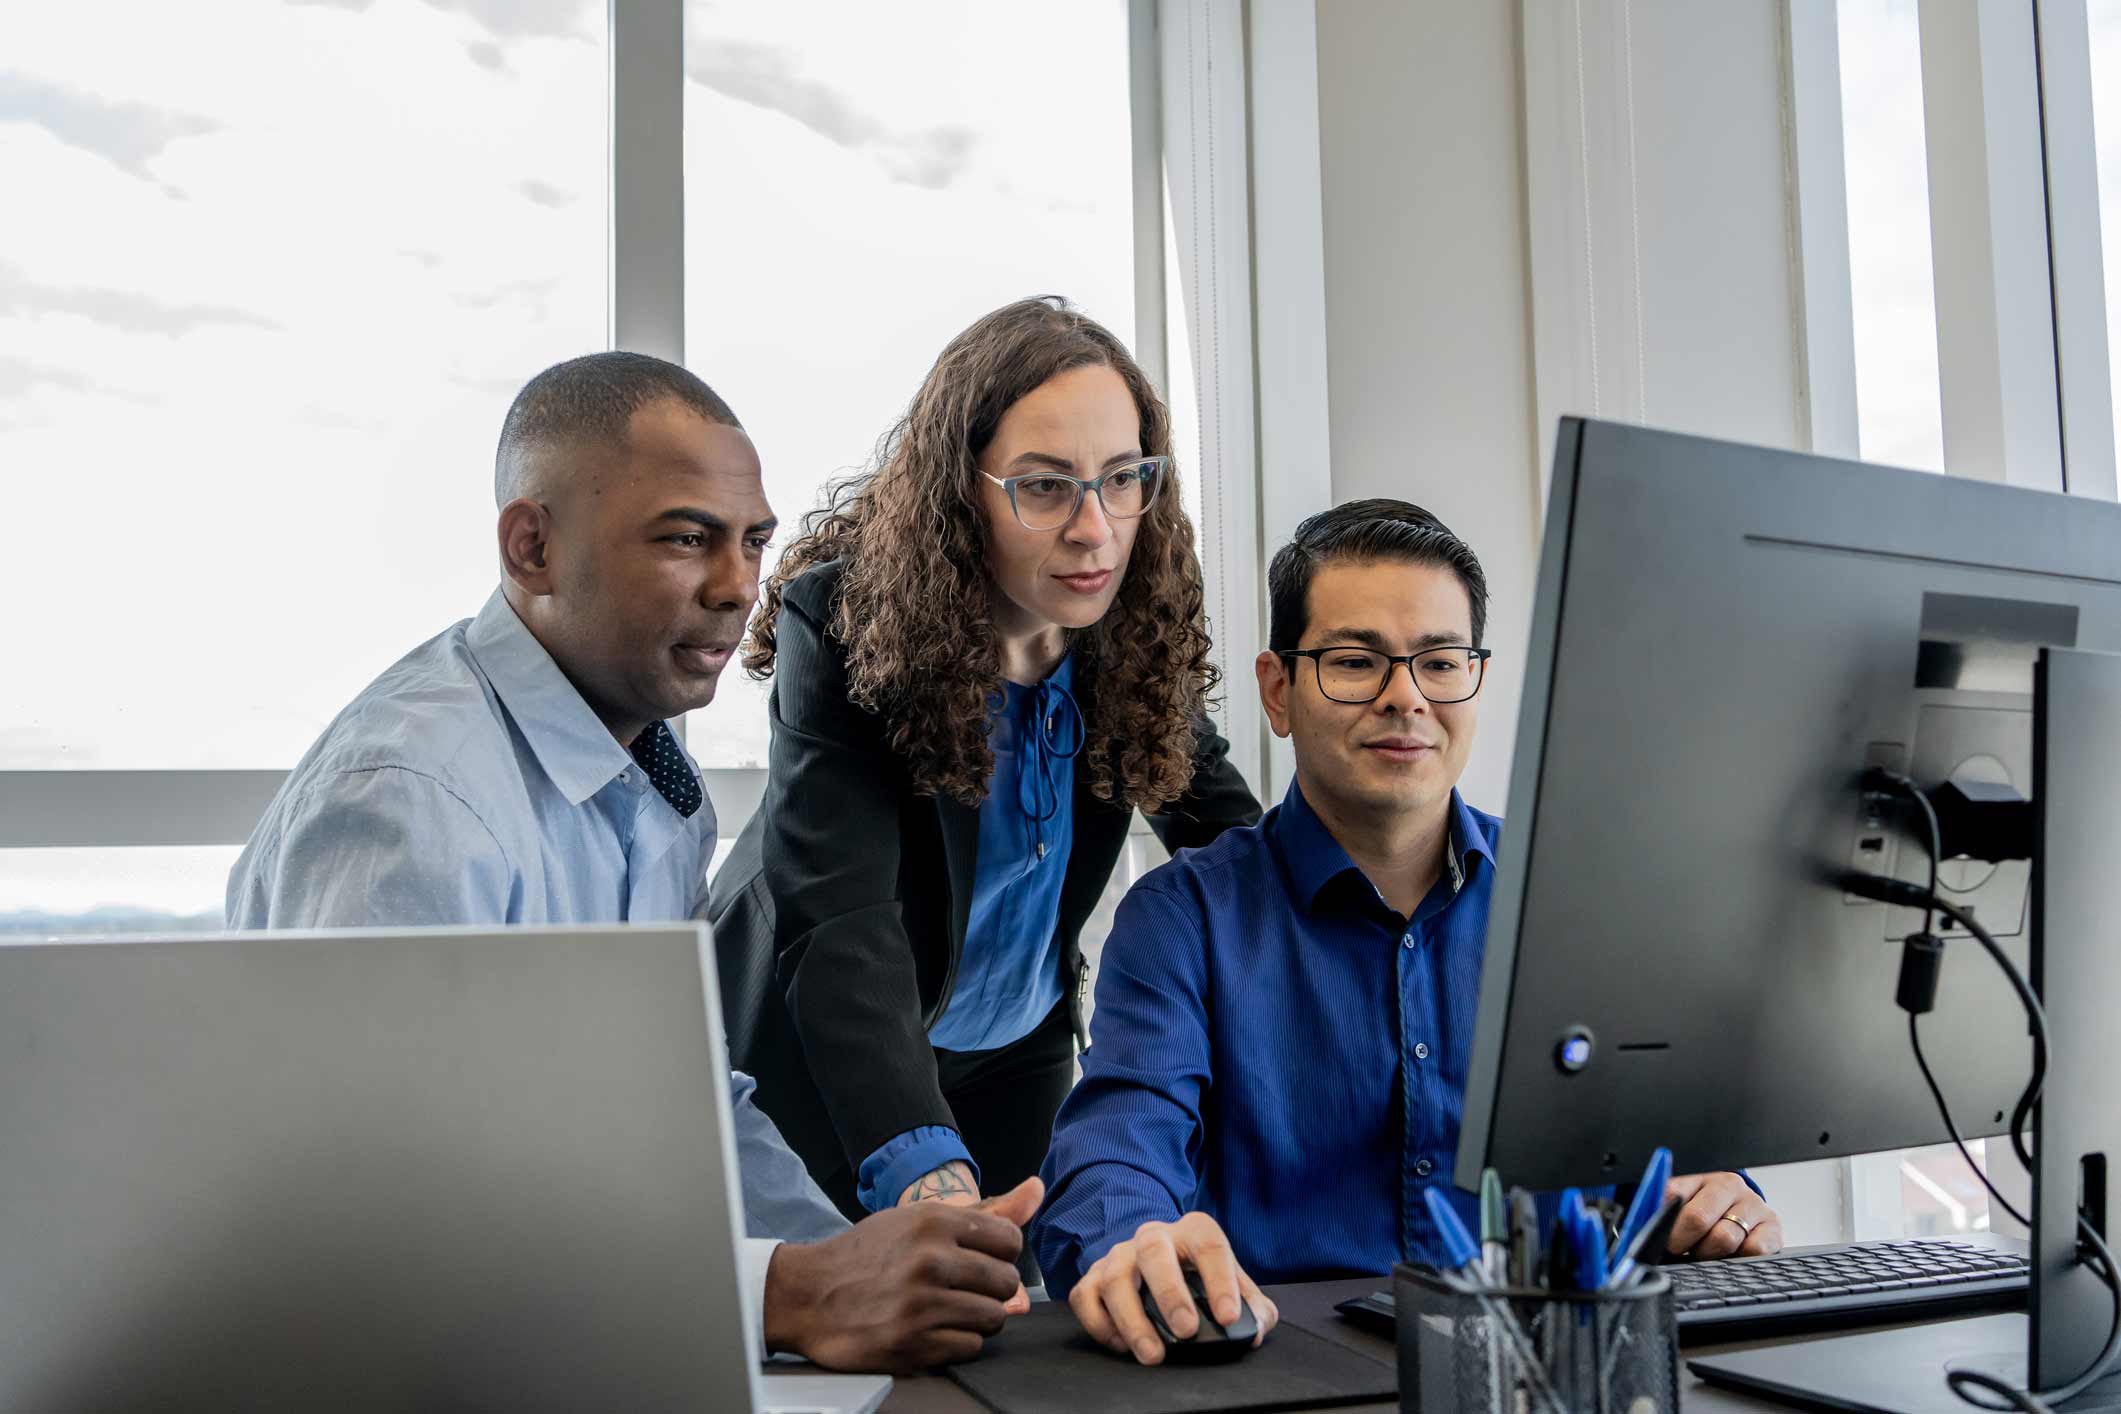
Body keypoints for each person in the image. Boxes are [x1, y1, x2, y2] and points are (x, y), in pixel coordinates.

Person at [226, 351, 1038, 1374]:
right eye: (686, 539)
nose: (739, 586)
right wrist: (788, 1291)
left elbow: (685, 1098)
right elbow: (387, 1222)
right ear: (532, 547)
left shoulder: (649, 782)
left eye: (753, 542)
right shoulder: (411, 801)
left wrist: (863, 1261)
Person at [1032, 499, 1781, 1365]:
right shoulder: (1182, 919)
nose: (1405, 698)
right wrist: (1132, 1243)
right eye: (1355, 662)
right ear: (1279, 691)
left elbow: (1680, 1155)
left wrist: (1721, 1198)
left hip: (1552, 1374)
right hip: (1284, 1378)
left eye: (1439, 662)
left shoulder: (1574, 903)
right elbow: (1120, 1144)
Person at [710, 297, 1261, 1249]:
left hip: (1016, 1045)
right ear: (959, 491)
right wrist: (924, 1171)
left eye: (1123, 479)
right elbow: (842, 921)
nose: (1096, 530)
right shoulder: (840, 623)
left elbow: (1234, 850)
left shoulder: (1123, 630)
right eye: (1045, 488)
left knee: (1013, 1325)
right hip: (826, 1049)